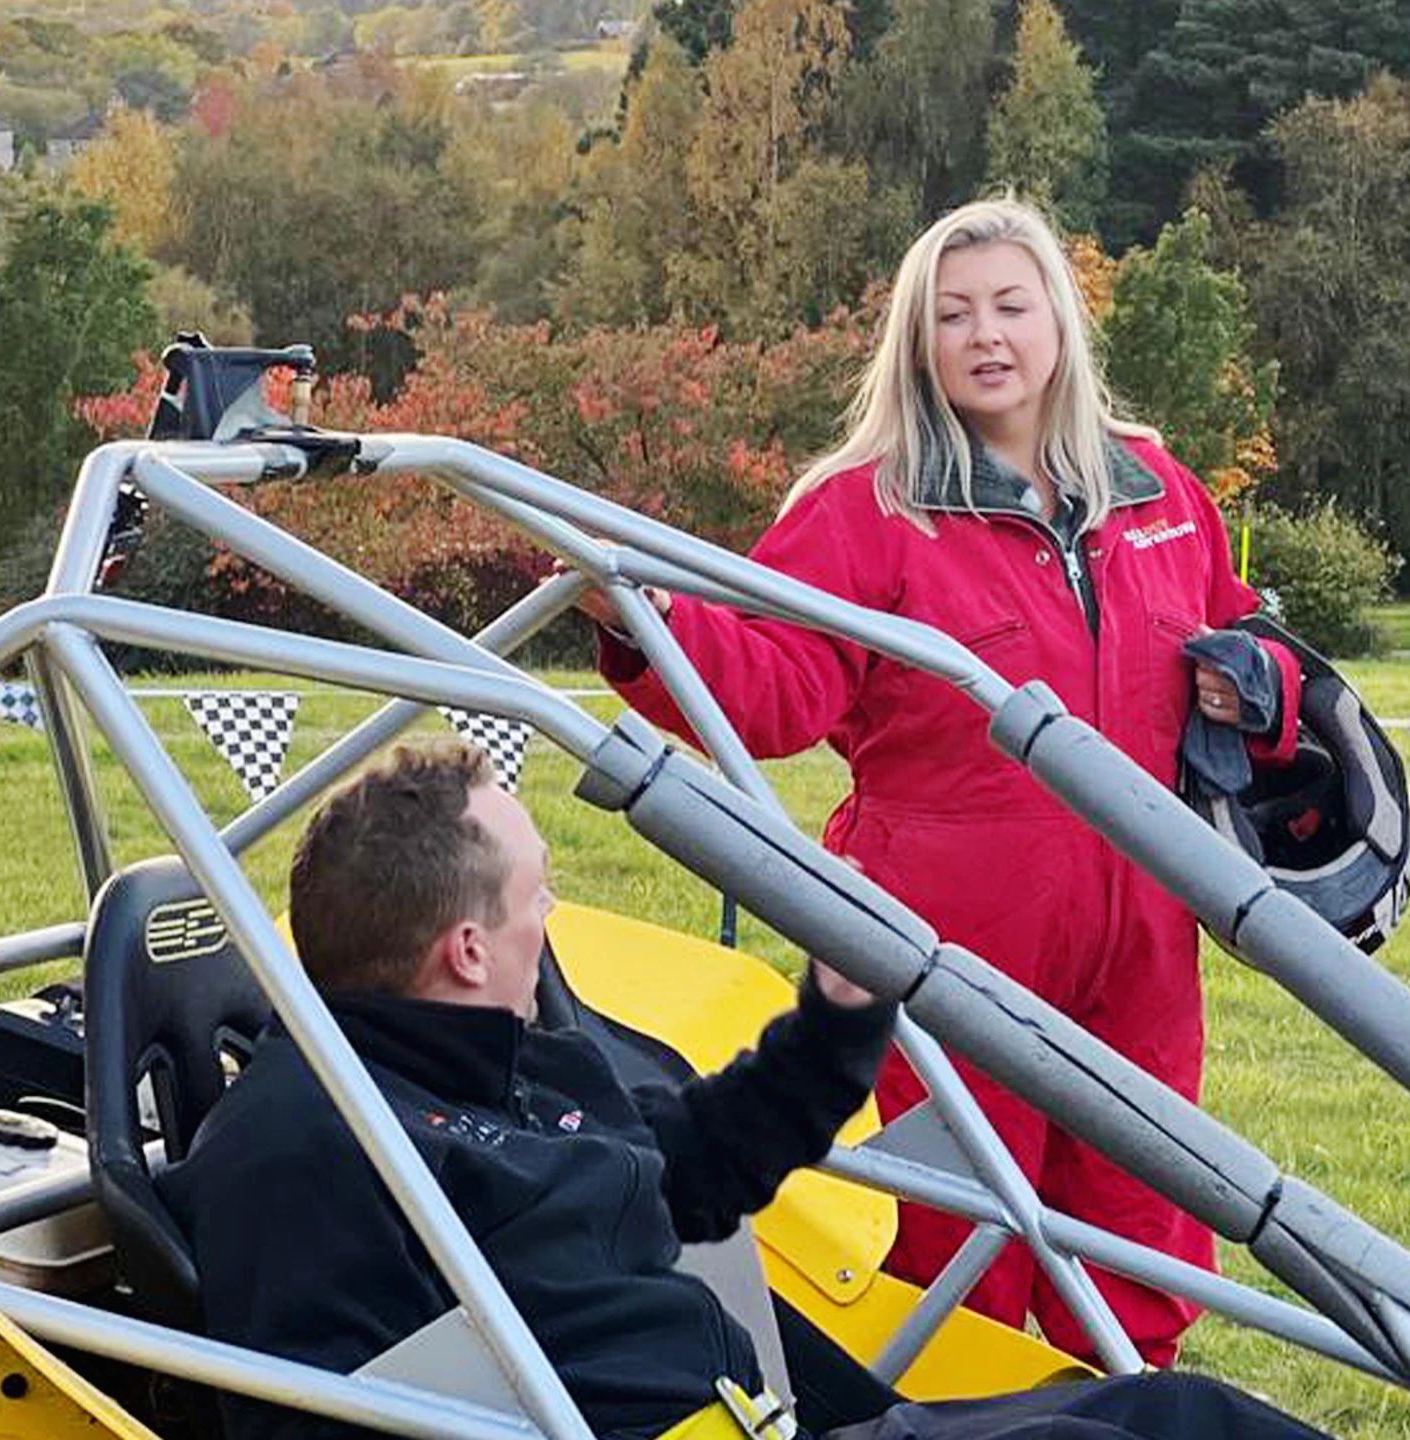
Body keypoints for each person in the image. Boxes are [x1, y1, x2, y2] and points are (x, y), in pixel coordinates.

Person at [575, 196, 1286, 1366]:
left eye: (1010, 305)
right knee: (953, 1239)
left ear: (1058, 320)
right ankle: (952, 1411)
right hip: (937, 945)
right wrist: (641, 623)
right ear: (917, 343)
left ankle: (1122, 1404)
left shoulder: (1156, 490)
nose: (985, 335)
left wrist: (1260, 685)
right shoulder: (866, 507)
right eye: (952, 316)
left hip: (1145, 942)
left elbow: (1245, 637)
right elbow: (770, 680)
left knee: (1140, 1218)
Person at [160, 740, 1332, 1440]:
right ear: (466, 948)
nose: (555, 918)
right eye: (538, 897)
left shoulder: (515, 1059)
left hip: (780, 1408)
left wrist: (837, 1016)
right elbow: (310, 1414)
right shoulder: (306, 1146)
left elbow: (696, 1172)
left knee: (1186, 1418)